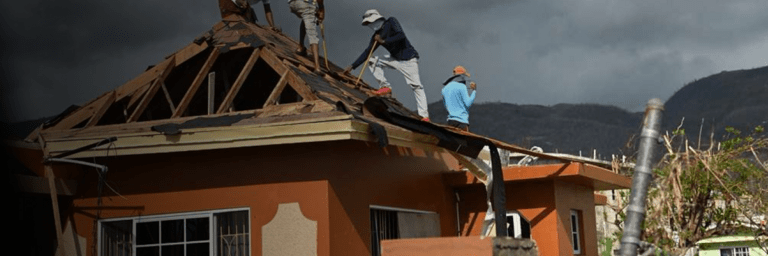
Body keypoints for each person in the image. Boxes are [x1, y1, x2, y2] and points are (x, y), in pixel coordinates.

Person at [343, 9, 429, 121]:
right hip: (395, 59)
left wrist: (384, 41)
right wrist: (352, 66)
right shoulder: (377, 36)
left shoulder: (391, 22)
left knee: (417, 86)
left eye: (370, 22)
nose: (370, 25)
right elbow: (367, 52)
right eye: (368, 24)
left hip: (409, 60)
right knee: (372, 60)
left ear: (377, 19)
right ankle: (385, 86)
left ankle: (424, 116)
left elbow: (401, 35)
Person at [289, 0, 324, 73]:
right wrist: (321, 9)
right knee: (312, 35)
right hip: (305, 4)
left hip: (293, 4)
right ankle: (317, 67)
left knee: (306, 16)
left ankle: (301, 47)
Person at [441, 65, 477, 131]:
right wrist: (474, 91)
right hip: (462, 121)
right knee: (463, 141)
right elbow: (468, 103)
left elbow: (446, 106)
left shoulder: (444, 89)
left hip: (450, 121)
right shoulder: (462, 86)